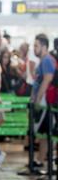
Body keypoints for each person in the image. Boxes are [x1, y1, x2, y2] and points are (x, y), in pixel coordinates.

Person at [32, 34, 58, 167]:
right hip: (43, 101)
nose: (33, 48)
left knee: (45, 133)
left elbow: (47, 79)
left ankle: (41, 160)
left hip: (45, 102)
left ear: (44, 46)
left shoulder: (47, 60)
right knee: (43, 133)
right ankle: (39, 160)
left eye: (36, 46)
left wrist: (38, 99)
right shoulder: (44, 61)